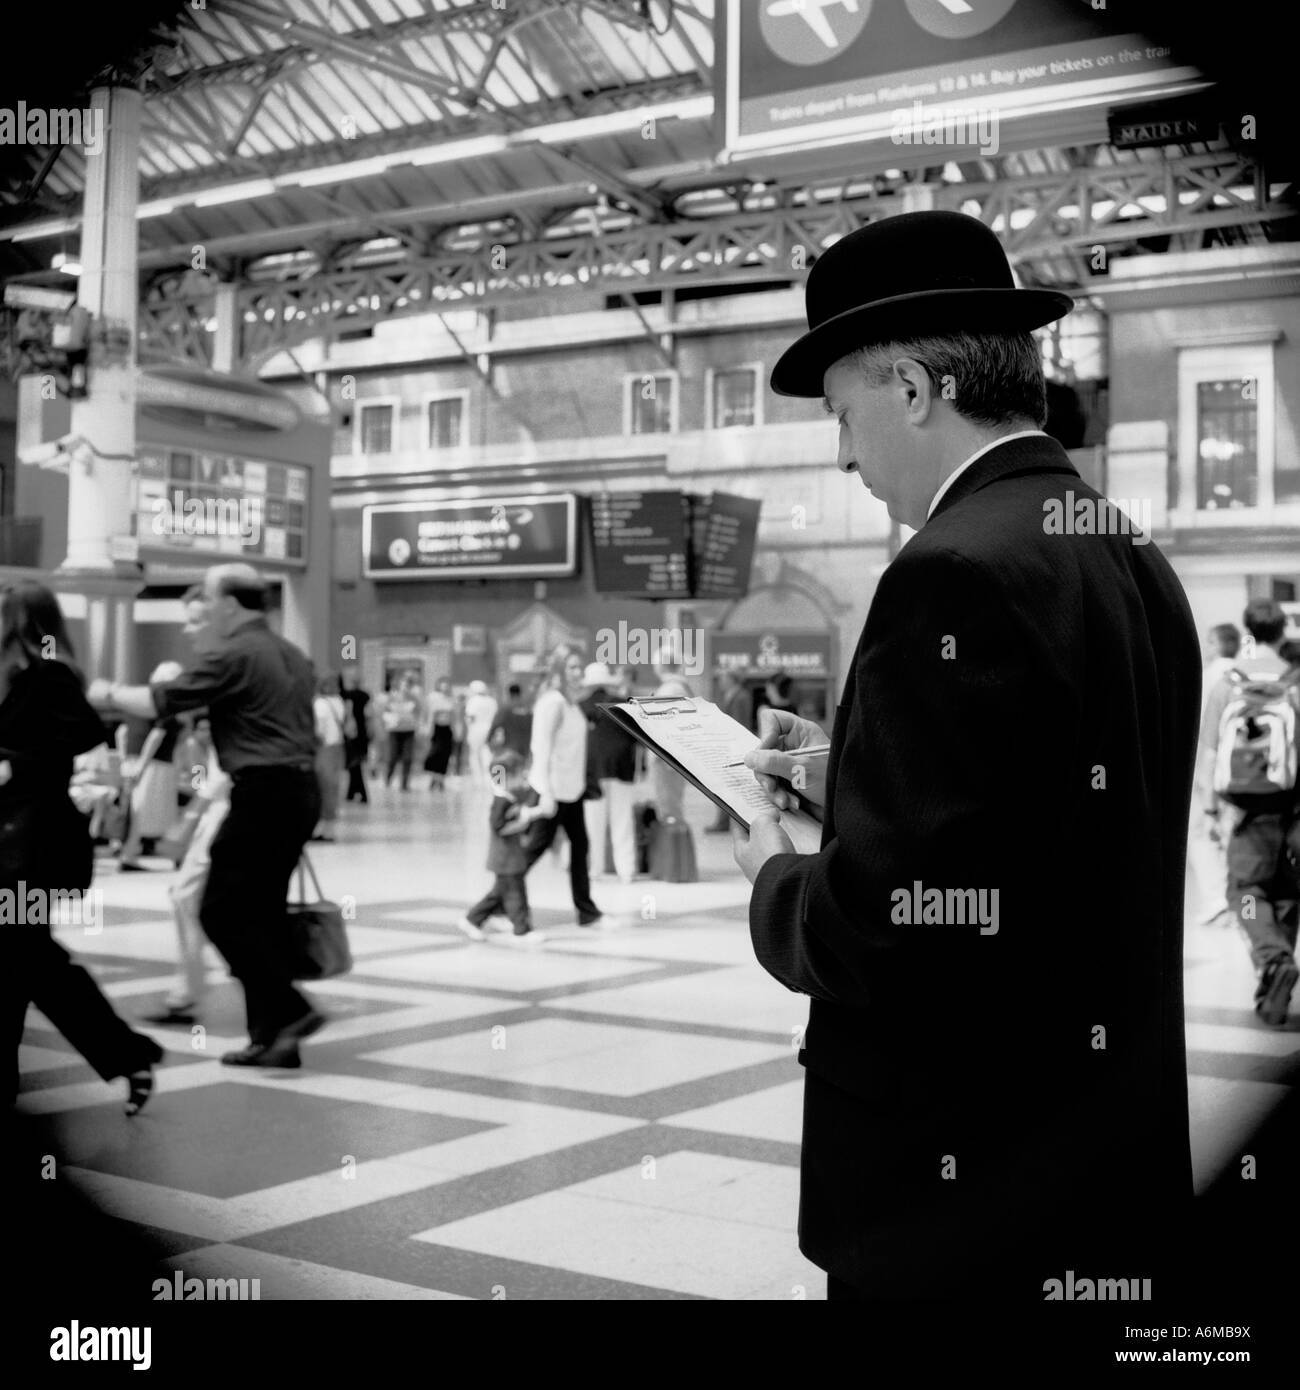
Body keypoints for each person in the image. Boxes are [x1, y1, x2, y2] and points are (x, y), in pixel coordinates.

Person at [732, 211, 1200, 1301]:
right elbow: (1043, 814)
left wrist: (772, 872)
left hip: (959, 1190)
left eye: (843, 415)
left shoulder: (950, 570)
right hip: (1094, 1153)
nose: (844, 454)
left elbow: (886, 925)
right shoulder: (1122, 550)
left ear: (909, 390)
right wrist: (846, 763)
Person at [91, 563, 325, 1069]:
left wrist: (104, 692)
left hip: (262, 791)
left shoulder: (236, 653)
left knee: (218, 908)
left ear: (230, 603)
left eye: (211, 599)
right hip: (298, 791)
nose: (203, 611)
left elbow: (162, 699)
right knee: (260, 913)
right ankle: (273, 1039)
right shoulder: (291, 654)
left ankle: (290, 1011)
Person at [1, 580, 163, 1115]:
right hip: (19, 846)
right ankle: (128, 1055)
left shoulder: (50, 678)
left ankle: (128, 1054)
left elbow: (83, 740)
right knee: (27, 961)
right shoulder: (26, 678)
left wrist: (18, 763)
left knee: (25, 958)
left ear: (20, 624)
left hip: (29, 853)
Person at [1197, 599, 1300, 1028]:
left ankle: (1273, 960)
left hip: (1245, 814)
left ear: (1249, 632)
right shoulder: (1296, 682)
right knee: (1288, 896)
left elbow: (1209, 753)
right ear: (1283, 631)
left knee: (1246, 895)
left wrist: (1208, 810)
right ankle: (1274, 986)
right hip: (1293, 812)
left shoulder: (1228, 683)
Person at [144, 587, 231, 1027]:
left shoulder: (231, 668)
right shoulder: (228, 669)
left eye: (196, 620)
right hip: (233, 805)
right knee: (195, 897)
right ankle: (195, 985)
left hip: (236, 808)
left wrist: (194, 814)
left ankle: (193, 989)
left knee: (191, 896)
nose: (187, 629)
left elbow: (227, 769)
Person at [525, 644, 601, 927]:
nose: (577, 672)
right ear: (558, 669)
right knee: (531, 851)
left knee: (580, 848)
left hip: (572, 791)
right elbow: (541, 748)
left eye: (579, 667)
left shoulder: (570, 703)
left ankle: (587, 912)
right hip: (552, 791)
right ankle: (490, 908)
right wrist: (545, 793)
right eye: (571, 667)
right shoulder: (553, 702)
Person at [458, 748, 546, 943]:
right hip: (504, 856)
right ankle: (522, 929)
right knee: (515, 893)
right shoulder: (501, 800)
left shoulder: (510, 795)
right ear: (507, 776)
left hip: (510, 855)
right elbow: (498, 827)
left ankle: (473, 919)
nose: (523, 779)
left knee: (499, 893)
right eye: (518, 775)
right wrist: (522, 822)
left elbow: (528, 796)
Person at [580, 663, 638, 884]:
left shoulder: (580, 706)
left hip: (592, 771)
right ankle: (627, 870)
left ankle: (595, 870)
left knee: (593, 823)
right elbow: (635, 738)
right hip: (622, 768)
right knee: (622, 820)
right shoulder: (623, 705)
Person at [707, 669, 751, 831]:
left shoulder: (741, 696)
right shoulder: (730, 695)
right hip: (726, 746)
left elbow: (739, 723)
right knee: (725, 784)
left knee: (729, 785)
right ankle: (724, 820)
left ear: (732, 679)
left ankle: (725, 822)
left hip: (733, 747)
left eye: (723, 678)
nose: (720, 681)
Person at [311, 672, 346, 842]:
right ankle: (328, 828)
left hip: (323, 749)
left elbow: (318, 730)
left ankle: (323, 829)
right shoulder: (338, 702)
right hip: (336, 747)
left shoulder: (320, 704)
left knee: (322, 789)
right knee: (332, 788)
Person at [380, 673, 421, 791]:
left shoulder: (414, 698)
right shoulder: (391, 697)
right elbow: (384, 713)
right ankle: (388, 778)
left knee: (408, 757)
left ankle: (404, 783)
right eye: (403, 685)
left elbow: (419, 713)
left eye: (408, 685)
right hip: (395, 730)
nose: (405, 687)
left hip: (409, 730)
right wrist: (389, 720)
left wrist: (418, 724)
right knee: (393, 756)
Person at [341, 669, 371, 804]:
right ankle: (353, 792)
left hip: (353, 733)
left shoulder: (348, 696)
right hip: (361, 733)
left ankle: (358, 792)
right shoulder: (365, 696)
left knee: (355, 764)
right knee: (355, 765)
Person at [463, 679, 499, 786]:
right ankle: (491, 778)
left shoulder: (473, 701)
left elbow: (470, 717)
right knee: (488, 753)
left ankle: (478, 779)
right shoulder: (492, 701)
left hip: (476, 730)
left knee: (475, 754)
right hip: (490, 730)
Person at [423, 676, 455, 789]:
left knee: (445, 755)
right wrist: (428, 729)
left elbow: (454, 716)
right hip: (436, 729)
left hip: (447, 729)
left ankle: (441, 779)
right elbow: (429, 714)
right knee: (434, 754)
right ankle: (433, 778)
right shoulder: (433, 697)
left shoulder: (451, 699)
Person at [488, 682, 532, 758]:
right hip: (526, 749)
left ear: (509, 694)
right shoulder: (528, 710)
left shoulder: (506, 709)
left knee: (505, 768)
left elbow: (495, 725)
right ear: (520, 693)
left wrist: (488, 739)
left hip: (510, 748)